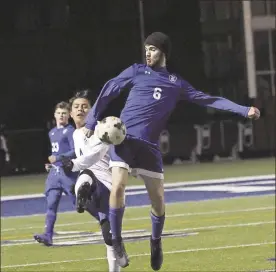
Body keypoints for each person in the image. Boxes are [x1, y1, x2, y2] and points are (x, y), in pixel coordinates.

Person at [83, 32, 261, 270]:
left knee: (158, 202)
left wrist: (243, 109)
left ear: (163, 52)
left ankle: (155, 242)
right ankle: (116, 241)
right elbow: (110, 88)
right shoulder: (136, 70)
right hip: (124, 140)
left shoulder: (176, 83)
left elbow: (208, 100)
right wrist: (91, 120)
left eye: (153, 49)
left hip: (149, 147)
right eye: (146, 48)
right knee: (118, 186)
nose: (148, 52)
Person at [62, 90, 120, 272]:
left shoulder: (101, 130)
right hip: (93, 184)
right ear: (71, 113)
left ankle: (83, 194)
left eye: (85, 106)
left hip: (108, 186)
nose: (80, 109)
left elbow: (94, 157)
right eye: (76, 107)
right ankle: (83, 197)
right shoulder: (76, 134)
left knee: (109, 239)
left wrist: (73, 164)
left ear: (92, 111)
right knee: (108, 237)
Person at [34, 101, 77, 246]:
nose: (61, 116)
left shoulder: (71, 131)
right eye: (59, 113)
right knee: (51, 204)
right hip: (54, 175)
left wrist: (58, 158)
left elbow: (75, 151)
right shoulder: (52, 132)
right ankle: (48, 236)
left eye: (64, 113)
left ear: (68, 115)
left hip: (68, 175)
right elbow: (55, 152)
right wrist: (51, 163)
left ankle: (108, 226)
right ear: (54, 115)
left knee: (81, 205)